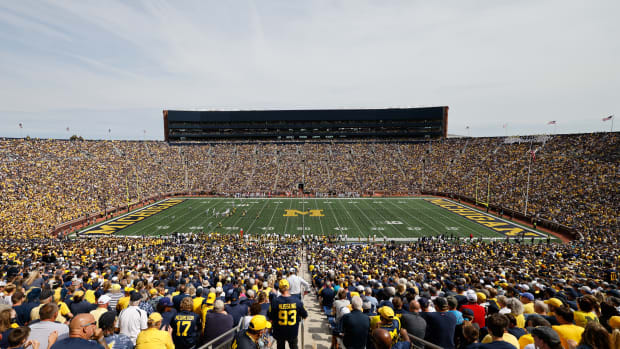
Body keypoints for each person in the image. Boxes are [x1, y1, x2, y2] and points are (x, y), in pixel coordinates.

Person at [268, 279, 308, 349]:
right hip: (292, 331)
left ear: (279, 289)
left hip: (279, 331)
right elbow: (305, 315)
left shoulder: (275, 301)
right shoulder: (297, 301)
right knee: (294, 346)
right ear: (289, 287)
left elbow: (270, 317)